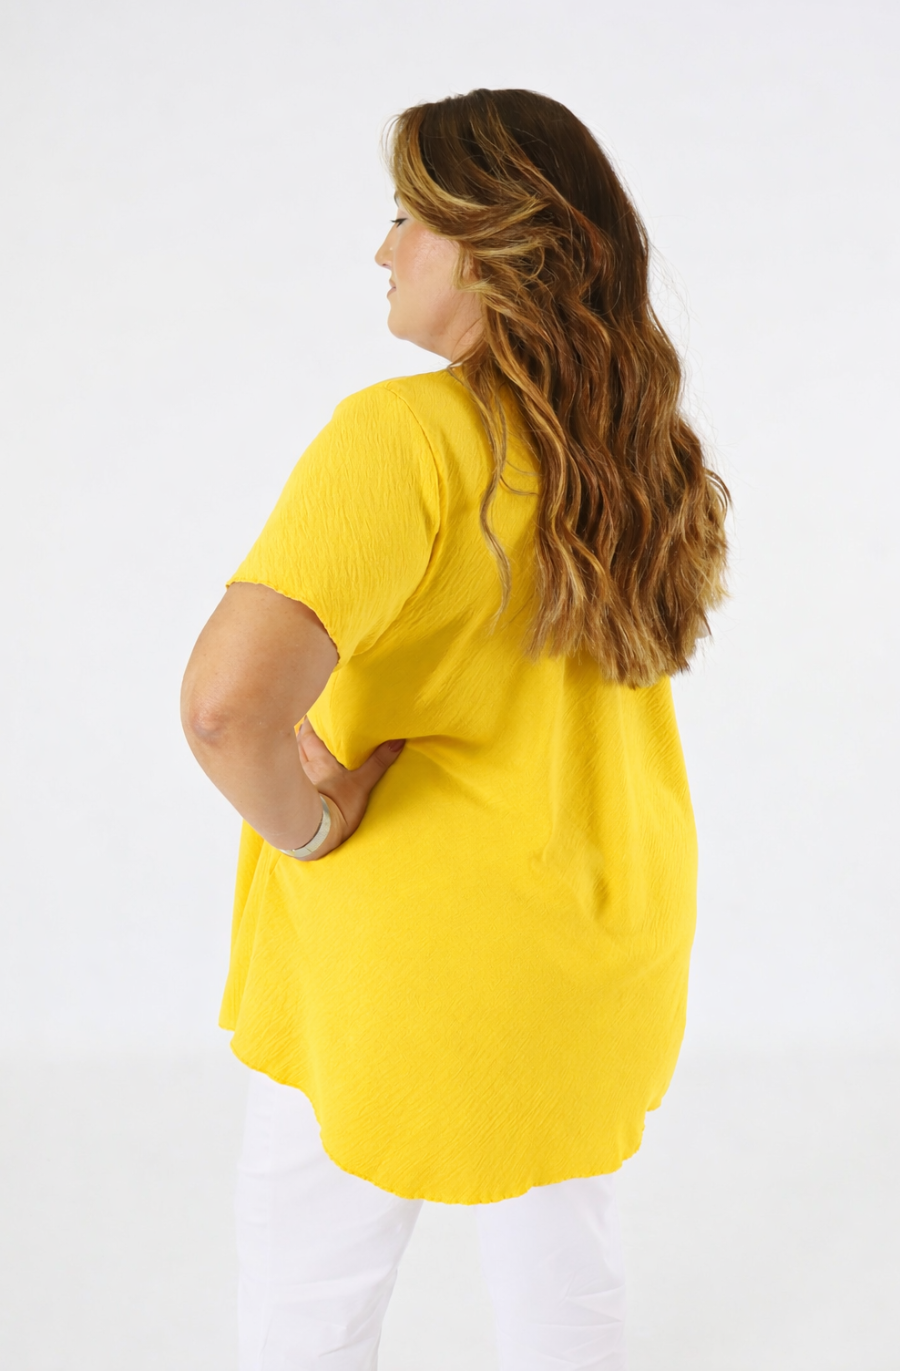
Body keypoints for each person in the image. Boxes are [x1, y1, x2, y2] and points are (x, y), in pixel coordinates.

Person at [181, 87, 729, 1371]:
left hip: (406, 964)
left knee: (311, 1294)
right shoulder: (642, 448)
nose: (383, 249)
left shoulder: (406, 436)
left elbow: (224, 706)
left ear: (491, 245)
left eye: (409, 217)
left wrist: (310, 826)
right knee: (566, 1279)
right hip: (603, 934)